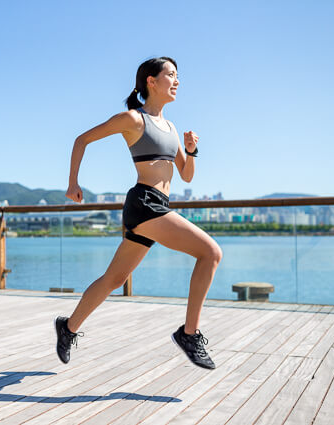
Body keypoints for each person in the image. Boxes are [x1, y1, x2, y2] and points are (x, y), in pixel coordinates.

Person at [56, 56, 223, 369]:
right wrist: (73, 183)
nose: (177, 81)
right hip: (144, 203)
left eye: (178, 76)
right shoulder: (133, 119)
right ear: (151, 81)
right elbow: (82, 140)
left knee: (114, 278)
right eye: (171, 75)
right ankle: (190, 333)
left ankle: (68, 327)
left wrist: (190, 150)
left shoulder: (171, 127)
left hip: (159, 204)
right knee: (210, 253)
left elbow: (186, 176)